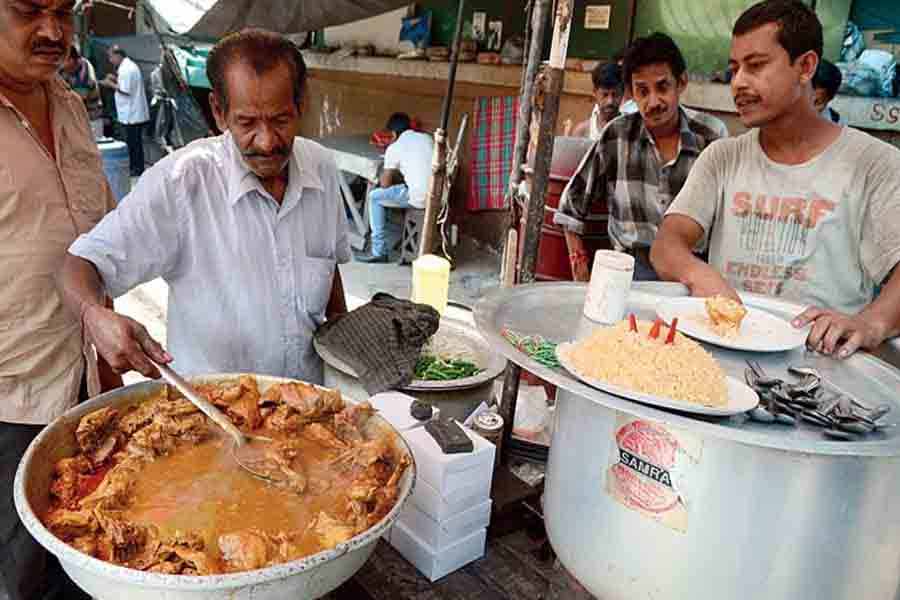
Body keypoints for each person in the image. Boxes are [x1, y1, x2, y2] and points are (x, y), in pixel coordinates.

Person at [58, 29, 350, 385]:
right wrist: (92, 315)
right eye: (247, 123)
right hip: (212, 417)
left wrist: (347, 354)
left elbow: (329, 268)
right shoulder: (181, 181)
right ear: (219, 112)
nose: (267, 141)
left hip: (308, 406)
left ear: (301, 105)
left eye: (281, 120)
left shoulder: (321, 167)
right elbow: (79, 264)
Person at [651, 0, 900, 359]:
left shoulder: (872, 164)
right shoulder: (723, 157)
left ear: (806, 66)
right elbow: (666, 245)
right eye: (734, 69)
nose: (738, 83)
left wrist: (871, 323)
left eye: (756, 66)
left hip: (819, 372)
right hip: (722, 357)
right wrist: (698, 274)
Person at [0, 1, 120, 599]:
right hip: (9, 400)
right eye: (28, 10)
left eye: (63, 11)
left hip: (86, 385)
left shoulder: (70, 106)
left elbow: (102, 232)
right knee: (15, 575)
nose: (52, 32)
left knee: (91, 554)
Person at [554, 33, 727, 282]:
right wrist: (581, 272)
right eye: (642, 91)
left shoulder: (711, 136)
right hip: (631, 273)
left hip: (693, 272)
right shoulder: (616, 136)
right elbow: (570, 209)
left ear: (681, 82)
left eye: (662, 86)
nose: (653, 101)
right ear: (631, 94)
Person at [358, 112, 434, 263]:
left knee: (374, 197)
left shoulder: (395, 148)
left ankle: (379, 251)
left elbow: (385, 184)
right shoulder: (427, 138)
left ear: (393, 133)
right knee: (407, 187)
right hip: (440, 195)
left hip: (420, 198)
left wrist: (387, 170)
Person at [100, 45, 149, 176]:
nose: (110, 60)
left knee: (134, 143)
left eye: (111, 57)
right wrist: (115, 79)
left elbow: (125, 90)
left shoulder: (127, 69)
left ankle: (136, 168)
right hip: (132, 112)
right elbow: (125, 85)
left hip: (132, 114)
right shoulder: (127, 67)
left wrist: (109, 84)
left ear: (118, 55)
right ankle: (136, 167)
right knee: (134, 142)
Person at [571, 62, 623, 140]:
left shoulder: (631, 131)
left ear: (622, 93)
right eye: (605, 95)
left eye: (615, 95)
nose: (610, 101)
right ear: (595, 93)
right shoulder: (582, 132)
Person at [60, 44, 103, 139]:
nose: (61, 64)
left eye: (63, 61)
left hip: (91, 118)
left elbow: (80, 97)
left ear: (71, 60)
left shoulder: (84, 69)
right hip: (75, 118)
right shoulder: (65, 69)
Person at [812, 58, 845, 125]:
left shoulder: (836, 123)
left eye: (817, 103)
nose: (809, 108)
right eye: (805, 100)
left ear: (830, 99)